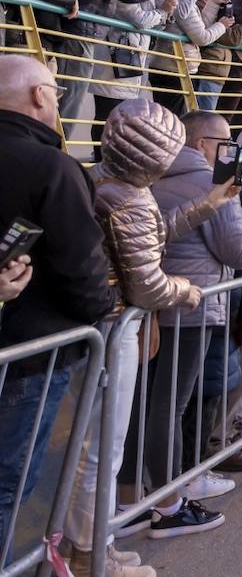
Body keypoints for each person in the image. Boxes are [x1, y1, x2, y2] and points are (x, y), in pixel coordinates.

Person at [70, 100, 219, 570]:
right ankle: (93, 554)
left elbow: (147, 238)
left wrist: (206, 207)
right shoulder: (129, 197)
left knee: (93, 446)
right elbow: (146, 283)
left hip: (102, 330)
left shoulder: (102, 182)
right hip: (116, 332)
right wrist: (186, 290)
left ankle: (90, 546)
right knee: (102, 450)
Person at [0, 57, 116, 559]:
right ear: (39, 97)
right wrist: (104, 308)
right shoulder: (52, 166)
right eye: (54, 88)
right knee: (8, 483)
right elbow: (83, 270)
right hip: (33, 353)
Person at [57, 0, 172, 133]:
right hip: (79, 35)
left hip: (83, 35)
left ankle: (57, 152)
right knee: (69, 102)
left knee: (71, 100)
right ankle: (56, 154)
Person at [88, 0, 177, 160]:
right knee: (107, 114)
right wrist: (162, 10)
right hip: (113, 60)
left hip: (130, 59)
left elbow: (156, 21)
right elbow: (141, 20)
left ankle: (109, 158)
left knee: (121, 116)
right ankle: (101, 158)